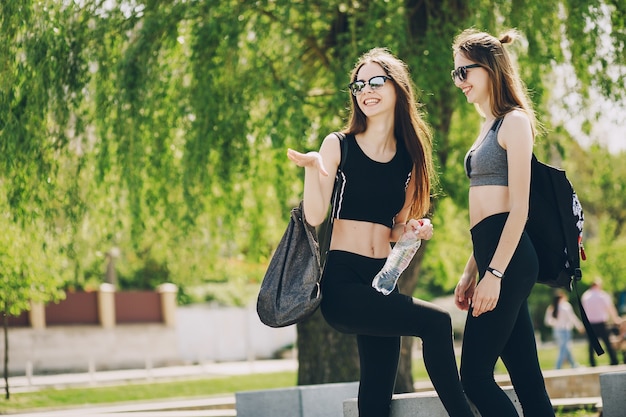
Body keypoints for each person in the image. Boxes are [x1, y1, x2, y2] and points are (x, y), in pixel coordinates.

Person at [287, 48, 474, 417]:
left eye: (376, 81)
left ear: (396, 88)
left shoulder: (409, 155)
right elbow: (314, 214)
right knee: (436, 324)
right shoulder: (337, 145)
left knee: (375, 391)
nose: (365, 90)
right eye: (358, 85)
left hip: (382, 283)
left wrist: (415, 230)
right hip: (344, 285)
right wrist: (312, 168)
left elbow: (394, 229)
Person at [451, 29, 555, 417]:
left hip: (508, 262)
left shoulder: (514, 122)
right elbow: (484, 219)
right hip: (493, 256)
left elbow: (518, 209)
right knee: (527, 378)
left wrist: (494, 273)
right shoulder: (487, 127)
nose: (459, 81)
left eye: (465, 72)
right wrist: (470, 272)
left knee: (473, 378)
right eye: (455, 74)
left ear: (490, 68)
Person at [581, 279, 622, 366]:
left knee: (592, 344)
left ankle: (592, 362)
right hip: (601, 323)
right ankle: (614, 360)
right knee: (607, 342)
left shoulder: (585, 296)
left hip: (590, 323)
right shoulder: (602, 295)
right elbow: (610, 308)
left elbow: (583, 311)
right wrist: (615, 319)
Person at [544, 290, 585, 369]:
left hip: (556, 331)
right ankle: (557, 367)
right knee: (564, 349)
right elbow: (572, 318)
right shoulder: (566, 306)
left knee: (566, 348)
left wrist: (556, 323)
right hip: (565, 330)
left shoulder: (551, 307)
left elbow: (547, 321)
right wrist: (579, 326)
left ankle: (573, 365)